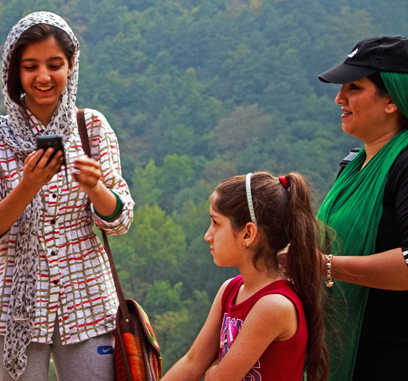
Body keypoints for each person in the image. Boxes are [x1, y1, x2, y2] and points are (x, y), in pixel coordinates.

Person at [0, 11, 134, 381]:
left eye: (54, 64)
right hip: (16, 308)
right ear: (15, 71)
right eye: (30, 66)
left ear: (71, 65)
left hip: (88, 301)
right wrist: (27, 186)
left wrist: (96, 189)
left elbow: (121, 218)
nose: (43, 77)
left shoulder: (91, 127)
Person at [163, 172, 329, 381]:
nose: (207, 235)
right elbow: (193, 362)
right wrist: (211, 368)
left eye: (216, 223)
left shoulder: (274, 306)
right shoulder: (230, 290)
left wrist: (213, 369)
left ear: (248, 234)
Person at [316, 36, 408, 380]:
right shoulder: (354, 164)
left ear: (392, 100)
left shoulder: (403, 164)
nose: (340, 98)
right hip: (342, 357)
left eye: (354, 87)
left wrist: (326, 267)